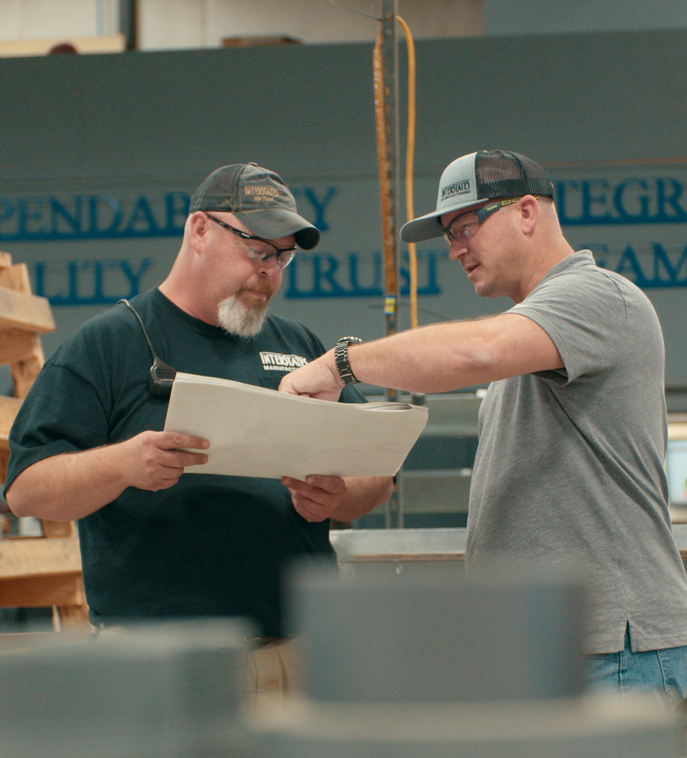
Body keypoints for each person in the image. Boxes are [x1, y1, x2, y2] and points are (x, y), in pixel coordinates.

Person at [279, 150, 687, 704]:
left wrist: (339, 363)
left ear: (526, 212)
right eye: (449, 234)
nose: (454, 249)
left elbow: (474, 351)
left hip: (611, 651)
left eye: (467, 226)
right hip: (543, 647)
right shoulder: (530, 344)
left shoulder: (598, 298)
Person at [5, 163, 393, 707]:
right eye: (257, 249)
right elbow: (26, 488)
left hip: (294, 658)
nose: (269, 271)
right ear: (199, 231)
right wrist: (123, 465)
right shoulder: (109, 345)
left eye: (282, 257)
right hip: (158, 669)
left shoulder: (299, 346)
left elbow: (377, 473)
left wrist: (341, 493)